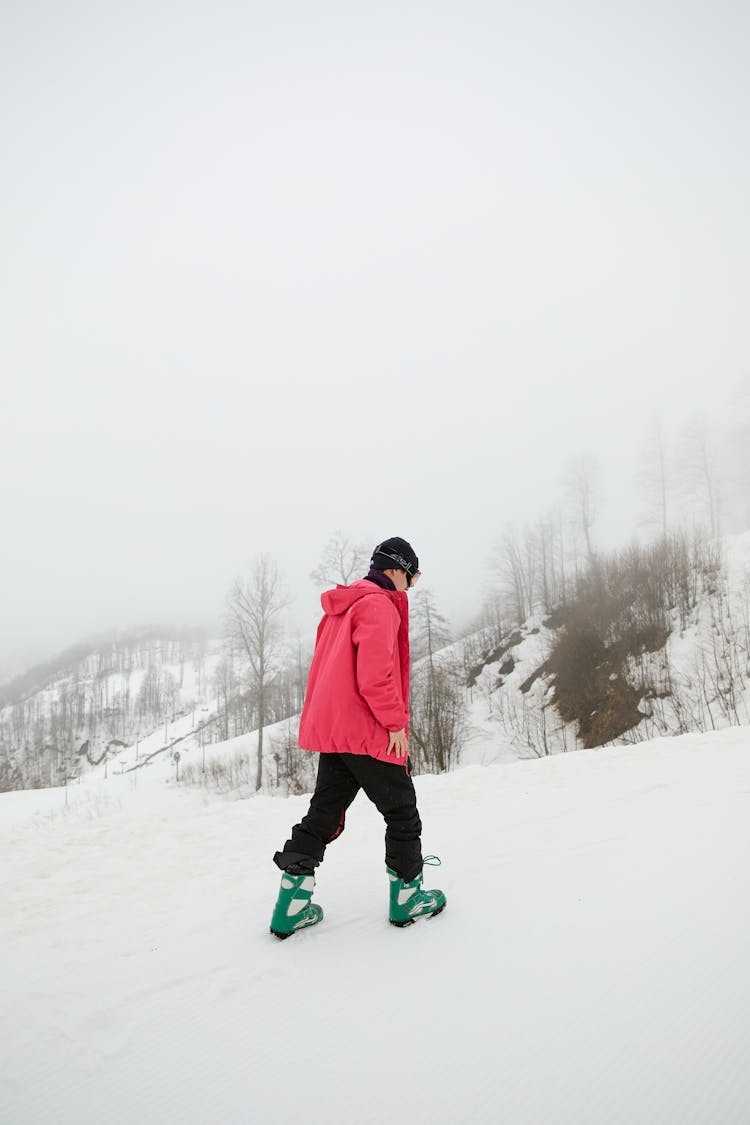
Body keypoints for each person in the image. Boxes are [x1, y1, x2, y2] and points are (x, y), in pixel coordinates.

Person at [270, 536, 446, 938]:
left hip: (335, 732)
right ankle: (407, 899)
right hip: (368, 729)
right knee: (402, 813)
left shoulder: (342, 606)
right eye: (413, 577)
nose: (412, 586)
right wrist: (395, 723)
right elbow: (374, 678)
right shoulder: (378, 606)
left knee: (324, 814)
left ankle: (291, 906)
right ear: (397, 569)